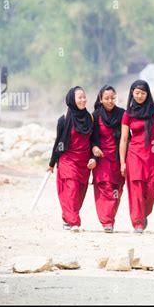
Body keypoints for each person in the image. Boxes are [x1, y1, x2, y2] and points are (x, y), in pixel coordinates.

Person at [119, 80, 154, 233]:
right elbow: (124, 139)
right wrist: (122, 162)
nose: (139, 96)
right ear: (132, 93)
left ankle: (143, 214)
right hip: (134, 155)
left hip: (153, 155)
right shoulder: (128, 114)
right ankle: (138, 223)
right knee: (136, 190)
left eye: (143, 93)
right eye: (137, 93)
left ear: (148, 94)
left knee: (152, 189)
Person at [48, 86, 96, 233]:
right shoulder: (63, 119)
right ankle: (74, 222)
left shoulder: (90, 118)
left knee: (79, 193)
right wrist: (51, 163)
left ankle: (67, 218)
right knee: (71, 189)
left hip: (84, 161)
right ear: (71, 100)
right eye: (79, 97)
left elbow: (94, 140)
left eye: (84, 97)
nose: (83, 100)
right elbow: (58, 142)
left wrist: (94, 157)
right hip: (68, 159)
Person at [91, 85, 125, 233]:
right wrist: (94, 148)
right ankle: (107, 221)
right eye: (106, 98)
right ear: (100, 98)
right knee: (105, 188)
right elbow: (90, 137)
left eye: (112, 98)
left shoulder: (122, 114)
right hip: (102, 159)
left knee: (116, 190)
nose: (110, 101)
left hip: (118, 158)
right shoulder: (95, 115)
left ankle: (110, 216)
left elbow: (127, 138)